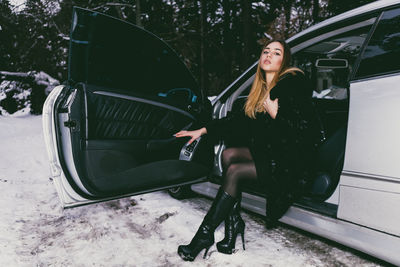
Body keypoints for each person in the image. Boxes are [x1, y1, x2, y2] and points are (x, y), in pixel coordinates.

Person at [174, 39, 322, 261]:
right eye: (266, 51)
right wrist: (202, 131)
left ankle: (204, 235)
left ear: (285, 61)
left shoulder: (293, 85)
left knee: (235, 172)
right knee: (228, 155)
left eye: (276, 52)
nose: (269, 55)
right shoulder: (261, 90)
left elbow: (306, 135)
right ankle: (233, 225)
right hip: (272, 154)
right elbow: (235, 122)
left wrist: (277, 115)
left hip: (290, 162)